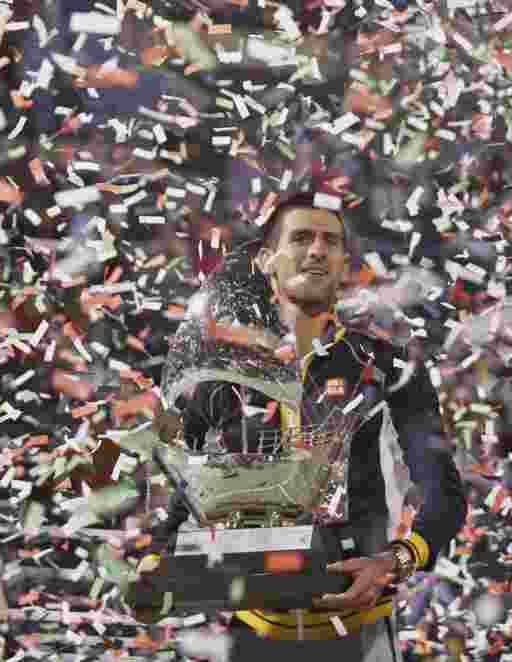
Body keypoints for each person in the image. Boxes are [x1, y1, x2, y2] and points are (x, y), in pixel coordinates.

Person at [144, 192, 467, 662]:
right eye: (300, 238)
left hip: (358, 633)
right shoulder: (223, 374)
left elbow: (444, 494)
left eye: (330, 242)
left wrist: (395, 561)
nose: (317, 250)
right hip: (254, 632)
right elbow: (190, 488)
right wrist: (157, 559)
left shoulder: (388, 368)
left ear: (342, 264)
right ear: (265, 259)